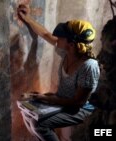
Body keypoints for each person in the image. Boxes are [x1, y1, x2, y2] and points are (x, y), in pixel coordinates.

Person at [17, 5, 100, 141]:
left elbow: (77, 102)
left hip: (80, 109)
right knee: (28, 113)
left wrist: (44, 98)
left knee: (39, 124)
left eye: (62, 37)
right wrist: (27, 18)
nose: (57, 38)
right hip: (61, 101)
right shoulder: (66, 52)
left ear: (71, 45)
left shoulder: (89, 66)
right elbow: (45, 34)